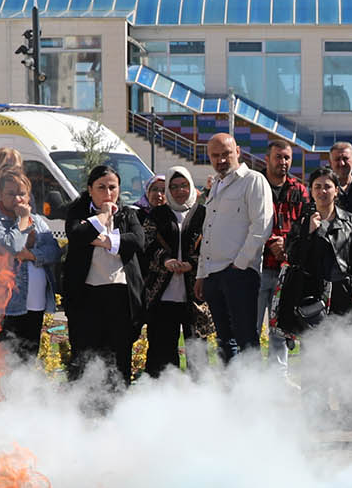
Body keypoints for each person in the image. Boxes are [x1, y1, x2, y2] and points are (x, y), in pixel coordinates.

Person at [60, 165, 144, 385]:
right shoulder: (78, 212)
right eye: (101, 188)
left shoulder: (128, 214)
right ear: (90, 189)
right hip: (87, 296)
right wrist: (103, 217)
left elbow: (137, 241)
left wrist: (107, 242)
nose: (108, 193)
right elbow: (78, 235)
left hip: (120, 295)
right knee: (87, 355)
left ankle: (118, 405)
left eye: (112, 187)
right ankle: (85, 408)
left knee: (119, 357)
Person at [194, 133, 270, 363]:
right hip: (213, 274)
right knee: (225, 341)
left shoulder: (253, 180)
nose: (221, 160)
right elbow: (208, 232)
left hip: (239, 273)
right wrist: (201, 275)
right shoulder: (216, 185)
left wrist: (239, 265)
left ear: (237, 151)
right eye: (215, 156)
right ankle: (232, 394)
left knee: (246, 339)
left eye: (225, 154)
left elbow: (262, 225)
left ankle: (253, 394)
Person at [0, 169, 62, 364]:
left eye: (22, 193)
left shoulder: (39, 222)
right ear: (0, 196)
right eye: (11, 194)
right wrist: (21, 221)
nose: (17, 199)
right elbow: (11, 247)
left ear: (29, 195)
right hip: (7, 307)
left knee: (28, 361)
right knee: (5, 362)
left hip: (35, 305)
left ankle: (25, 395)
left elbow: (54, 251)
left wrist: (31, 255)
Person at [272, 175, 349, 355]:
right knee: (312, 347)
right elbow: (291, 256)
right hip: (310, 295)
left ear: (336, 190)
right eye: (317, 186)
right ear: (311, 191)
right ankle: (311, 383)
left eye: (327, 186)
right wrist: (307, 232)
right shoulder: (303, 222)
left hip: (341, 291)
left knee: (342, 345)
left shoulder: (351, 221)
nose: (322, 191)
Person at [140, 166, 203, 376]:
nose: (179, 191)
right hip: (162, 292)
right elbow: (147, 244)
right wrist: (165, 260)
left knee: (197, 349)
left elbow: (211, 245)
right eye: (174, 187)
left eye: (184, 185)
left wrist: (192, 263)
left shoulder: (203, 214)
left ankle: (201, 396)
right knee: (162, 350)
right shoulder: (157, 214)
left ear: (191, 186)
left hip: (195, 293)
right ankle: (164, 396)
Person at [260, 139, 308, 364]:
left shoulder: (299, 189)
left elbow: (306, 224)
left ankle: (277, 381)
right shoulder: (254, 185)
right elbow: (245, 221)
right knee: (250, 327)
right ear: (267, 158)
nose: (283, 162)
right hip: (257, 267)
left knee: (280, 330)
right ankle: (247, 381)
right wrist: (270, 241)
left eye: (287, 157)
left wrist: (287, 243)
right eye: (278, 157)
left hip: (285, 271)